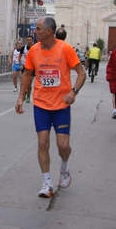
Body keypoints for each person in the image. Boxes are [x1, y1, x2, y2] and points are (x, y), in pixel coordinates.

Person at [15, 16, 86, 198]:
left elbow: (81, 73)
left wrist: (74, 91)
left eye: (38, 29)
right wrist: (21, 97)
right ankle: (47, 182)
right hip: (41, 105)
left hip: (61, 105)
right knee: (42, 142)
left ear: (48, 32)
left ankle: (64, 166)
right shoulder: (33, 51)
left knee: (63, 146)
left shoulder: (65, 49)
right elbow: (27, 74)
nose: (34, 32)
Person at [19, 35, 34, 103]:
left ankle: (28, 95)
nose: (29, 41)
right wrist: (20, 64)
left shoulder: (34, 48)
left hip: (32, 67)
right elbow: (19, 56)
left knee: (29, 83)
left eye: (30, 40)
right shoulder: (23, 48)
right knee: (23, 82)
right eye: (28, 40)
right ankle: (23, 94)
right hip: (24, 66)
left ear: (32, 41)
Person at [106, 48, 116, 119]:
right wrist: (110, 77)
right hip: (114, 79)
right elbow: (110, 65)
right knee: (114, 95)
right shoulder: (114, 53)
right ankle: (115, 110)